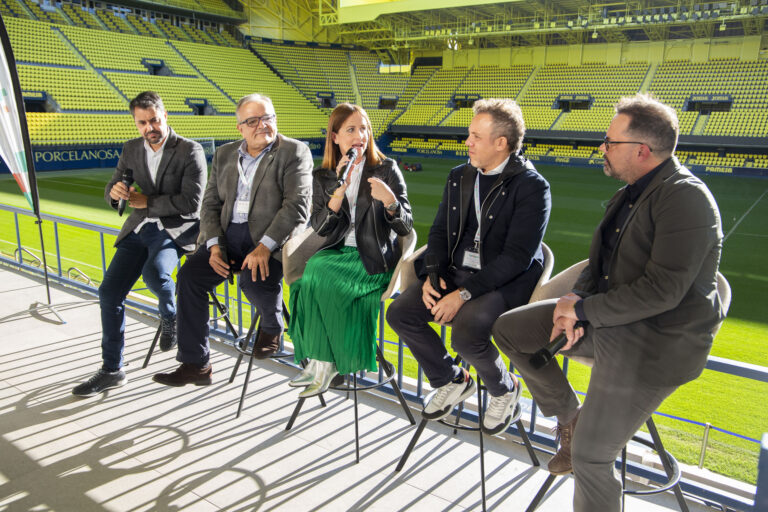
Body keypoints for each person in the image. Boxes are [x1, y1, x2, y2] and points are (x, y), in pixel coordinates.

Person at [492, 94, 724, 512]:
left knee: (591, 456)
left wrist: (582, 312)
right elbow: (599, 264)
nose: (601, 147)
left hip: (655, 345)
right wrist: (573, 300)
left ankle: (582, 442)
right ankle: (570, 417)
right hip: (611, 322)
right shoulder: (633, 192)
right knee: (509, 329)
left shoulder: (687, 198)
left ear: (642, 150)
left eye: (609, 141)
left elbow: (662, 292)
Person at [386, 98, 551, 434]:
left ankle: (505, 389)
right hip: (457, 272)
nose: (467, 142)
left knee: (467, 331)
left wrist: (461, 296)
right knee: (400, 312)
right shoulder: (459, 176)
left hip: (504, 282)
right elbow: (440, 233)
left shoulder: (533, 187)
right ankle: (452, 378)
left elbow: (516, 259)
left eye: (475, 136)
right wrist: (433, 275)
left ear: (501, 143)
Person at [153, 93, 313, 386]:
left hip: (273, 240)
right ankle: (196, 365)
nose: (262, 125)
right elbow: (210, 203)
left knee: (252, 279)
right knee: (189, 276)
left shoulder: (294, 151)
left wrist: (265, 246)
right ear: (240, 128)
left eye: (268, 117)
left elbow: (296, 207)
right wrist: (213, 246)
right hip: (228, 239)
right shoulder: (226, 154)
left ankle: (271, 325)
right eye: (253, 120)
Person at [72, 91, 207, 397]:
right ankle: (112, 370)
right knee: (108, 292)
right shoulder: (132, 148)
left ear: (165, 115)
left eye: (154, 120)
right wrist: (116, 193)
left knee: (156, 273)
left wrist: (148, 202)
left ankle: (171, 313)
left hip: (175, 229)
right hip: (139, 228)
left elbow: (192, 203)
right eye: (142, 122)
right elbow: (112, 186)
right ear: (136, 123)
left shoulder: (190, 150)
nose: (150, 128)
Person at [287, 103, 412, 397]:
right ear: (335, 137)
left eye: (364, 128)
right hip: (338, 253)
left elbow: (406, 226)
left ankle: (324, 362)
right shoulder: (324, 177)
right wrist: (337, 195)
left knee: (316, 272)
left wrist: (391, 202)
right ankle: (321, 363)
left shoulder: (387, 168)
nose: (360, 135)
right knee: (305, 283)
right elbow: (319, 227)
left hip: (372, 258)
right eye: (351, 129)